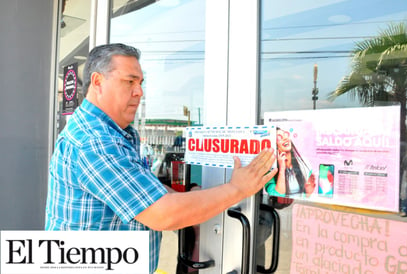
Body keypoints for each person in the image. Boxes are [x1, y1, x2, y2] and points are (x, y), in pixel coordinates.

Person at [44, 43, 277, 273]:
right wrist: (237, 189)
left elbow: (140, 190)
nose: (139, 92)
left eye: (140, 83)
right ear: (97, 82)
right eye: (129, 81)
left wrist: (185, 196)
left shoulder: (112, 133)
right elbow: (161, 213)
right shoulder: (95, 140)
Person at [265, 127, 315, 197]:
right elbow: (278, 195)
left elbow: (306, 195)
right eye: (279, 137)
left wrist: (308, 191)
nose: (285, 138)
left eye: (286, 134)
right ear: (274, 145)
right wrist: (282, 169)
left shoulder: (303, 163)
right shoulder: (269, 170)